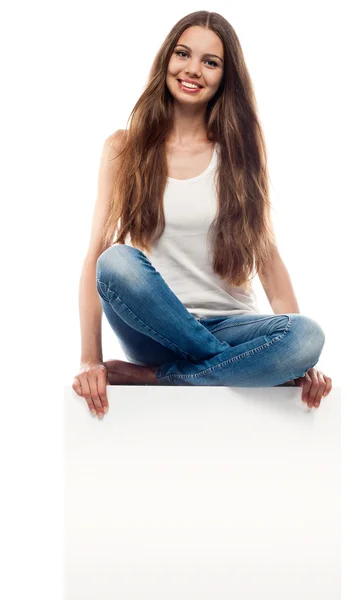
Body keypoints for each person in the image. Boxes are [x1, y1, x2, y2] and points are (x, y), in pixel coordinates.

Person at [72, 11, 332, 419]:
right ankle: (234, 366)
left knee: (305, 336)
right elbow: (95, 259)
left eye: (210, 62)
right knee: (115, 261)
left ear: (225, 77)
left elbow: (268, 260)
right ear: (166, 60)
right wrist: (91, 359)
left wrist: (302, 360)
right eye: (183, 54)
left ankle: (163, 378)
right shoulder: (124, 149)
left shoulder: (241, 152)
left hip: (230, 325)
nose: (193, 70)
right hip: (154, 327)